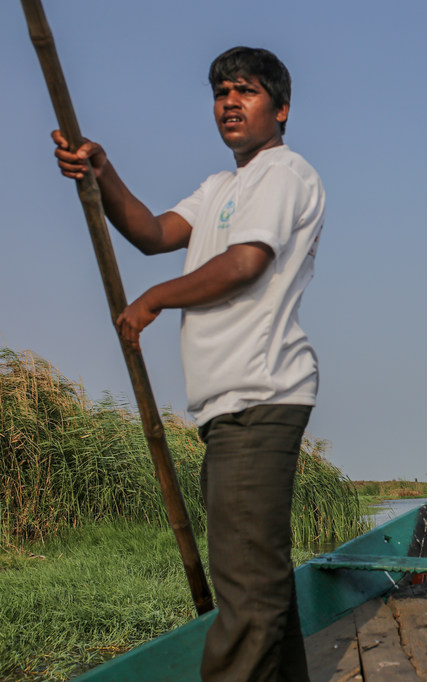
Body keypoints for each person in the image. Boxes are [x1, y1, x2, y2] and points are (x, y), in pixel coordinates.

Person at [53, 46, 324, 681]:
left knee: (246, 597)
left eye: (247, 91)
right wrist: (103, 171)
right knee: (262, 589)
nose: (230, 102)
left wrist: (153, 300)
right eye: (221, 92)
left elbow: (245, 263)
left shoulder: (282, 174)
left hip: (261, 396)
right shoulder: (221, 187)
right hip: (229, 406)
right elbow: (150, 232)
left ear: (281, 109)